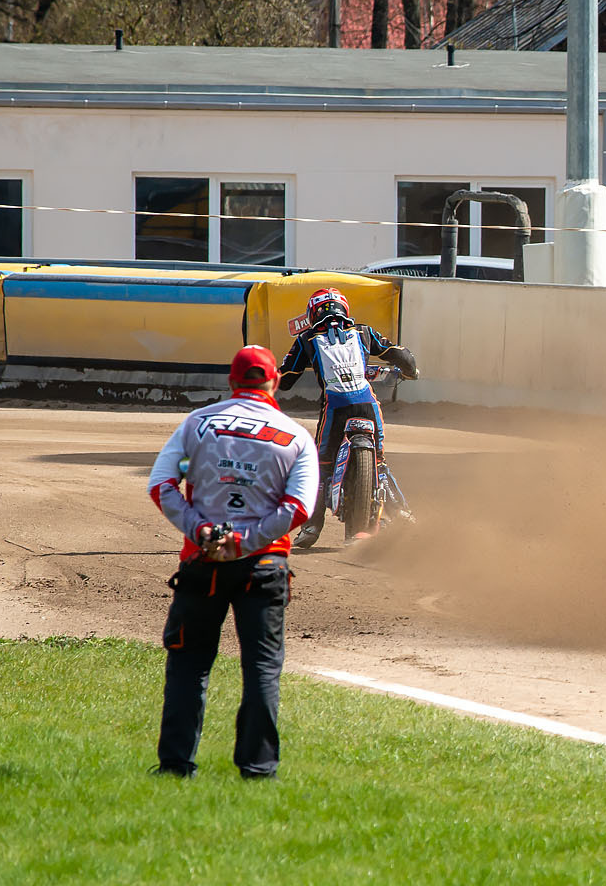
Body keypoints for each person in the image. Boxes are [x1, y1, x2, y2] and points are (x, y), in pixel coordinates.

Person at [147, 346, 320, 779]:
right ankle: (258, 771)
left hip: (202, 562)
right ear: (275, 381)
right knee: (261, 667)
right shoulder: (295, 437)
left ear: (231, 381)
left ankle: (174, 767)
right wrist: (245, 541)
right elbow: (298, 508)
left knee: (189, 663)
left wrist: (200, 530)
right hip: (263, 566)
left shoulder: (198, 425)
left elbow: (163, 484)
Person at [277, 287, 418, 545]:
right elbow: (400, 354)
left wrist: (271, 377)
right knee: (379, 461)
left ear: (312, 313)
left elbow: (286, 380)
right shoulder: (364, 332)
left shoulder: (306, 339)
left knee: (322, 464)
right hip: (367, 404)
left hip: (335, 407)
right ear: (345, 310)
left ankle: (311, 528)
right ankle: (402, 514)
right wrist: (411, 371)